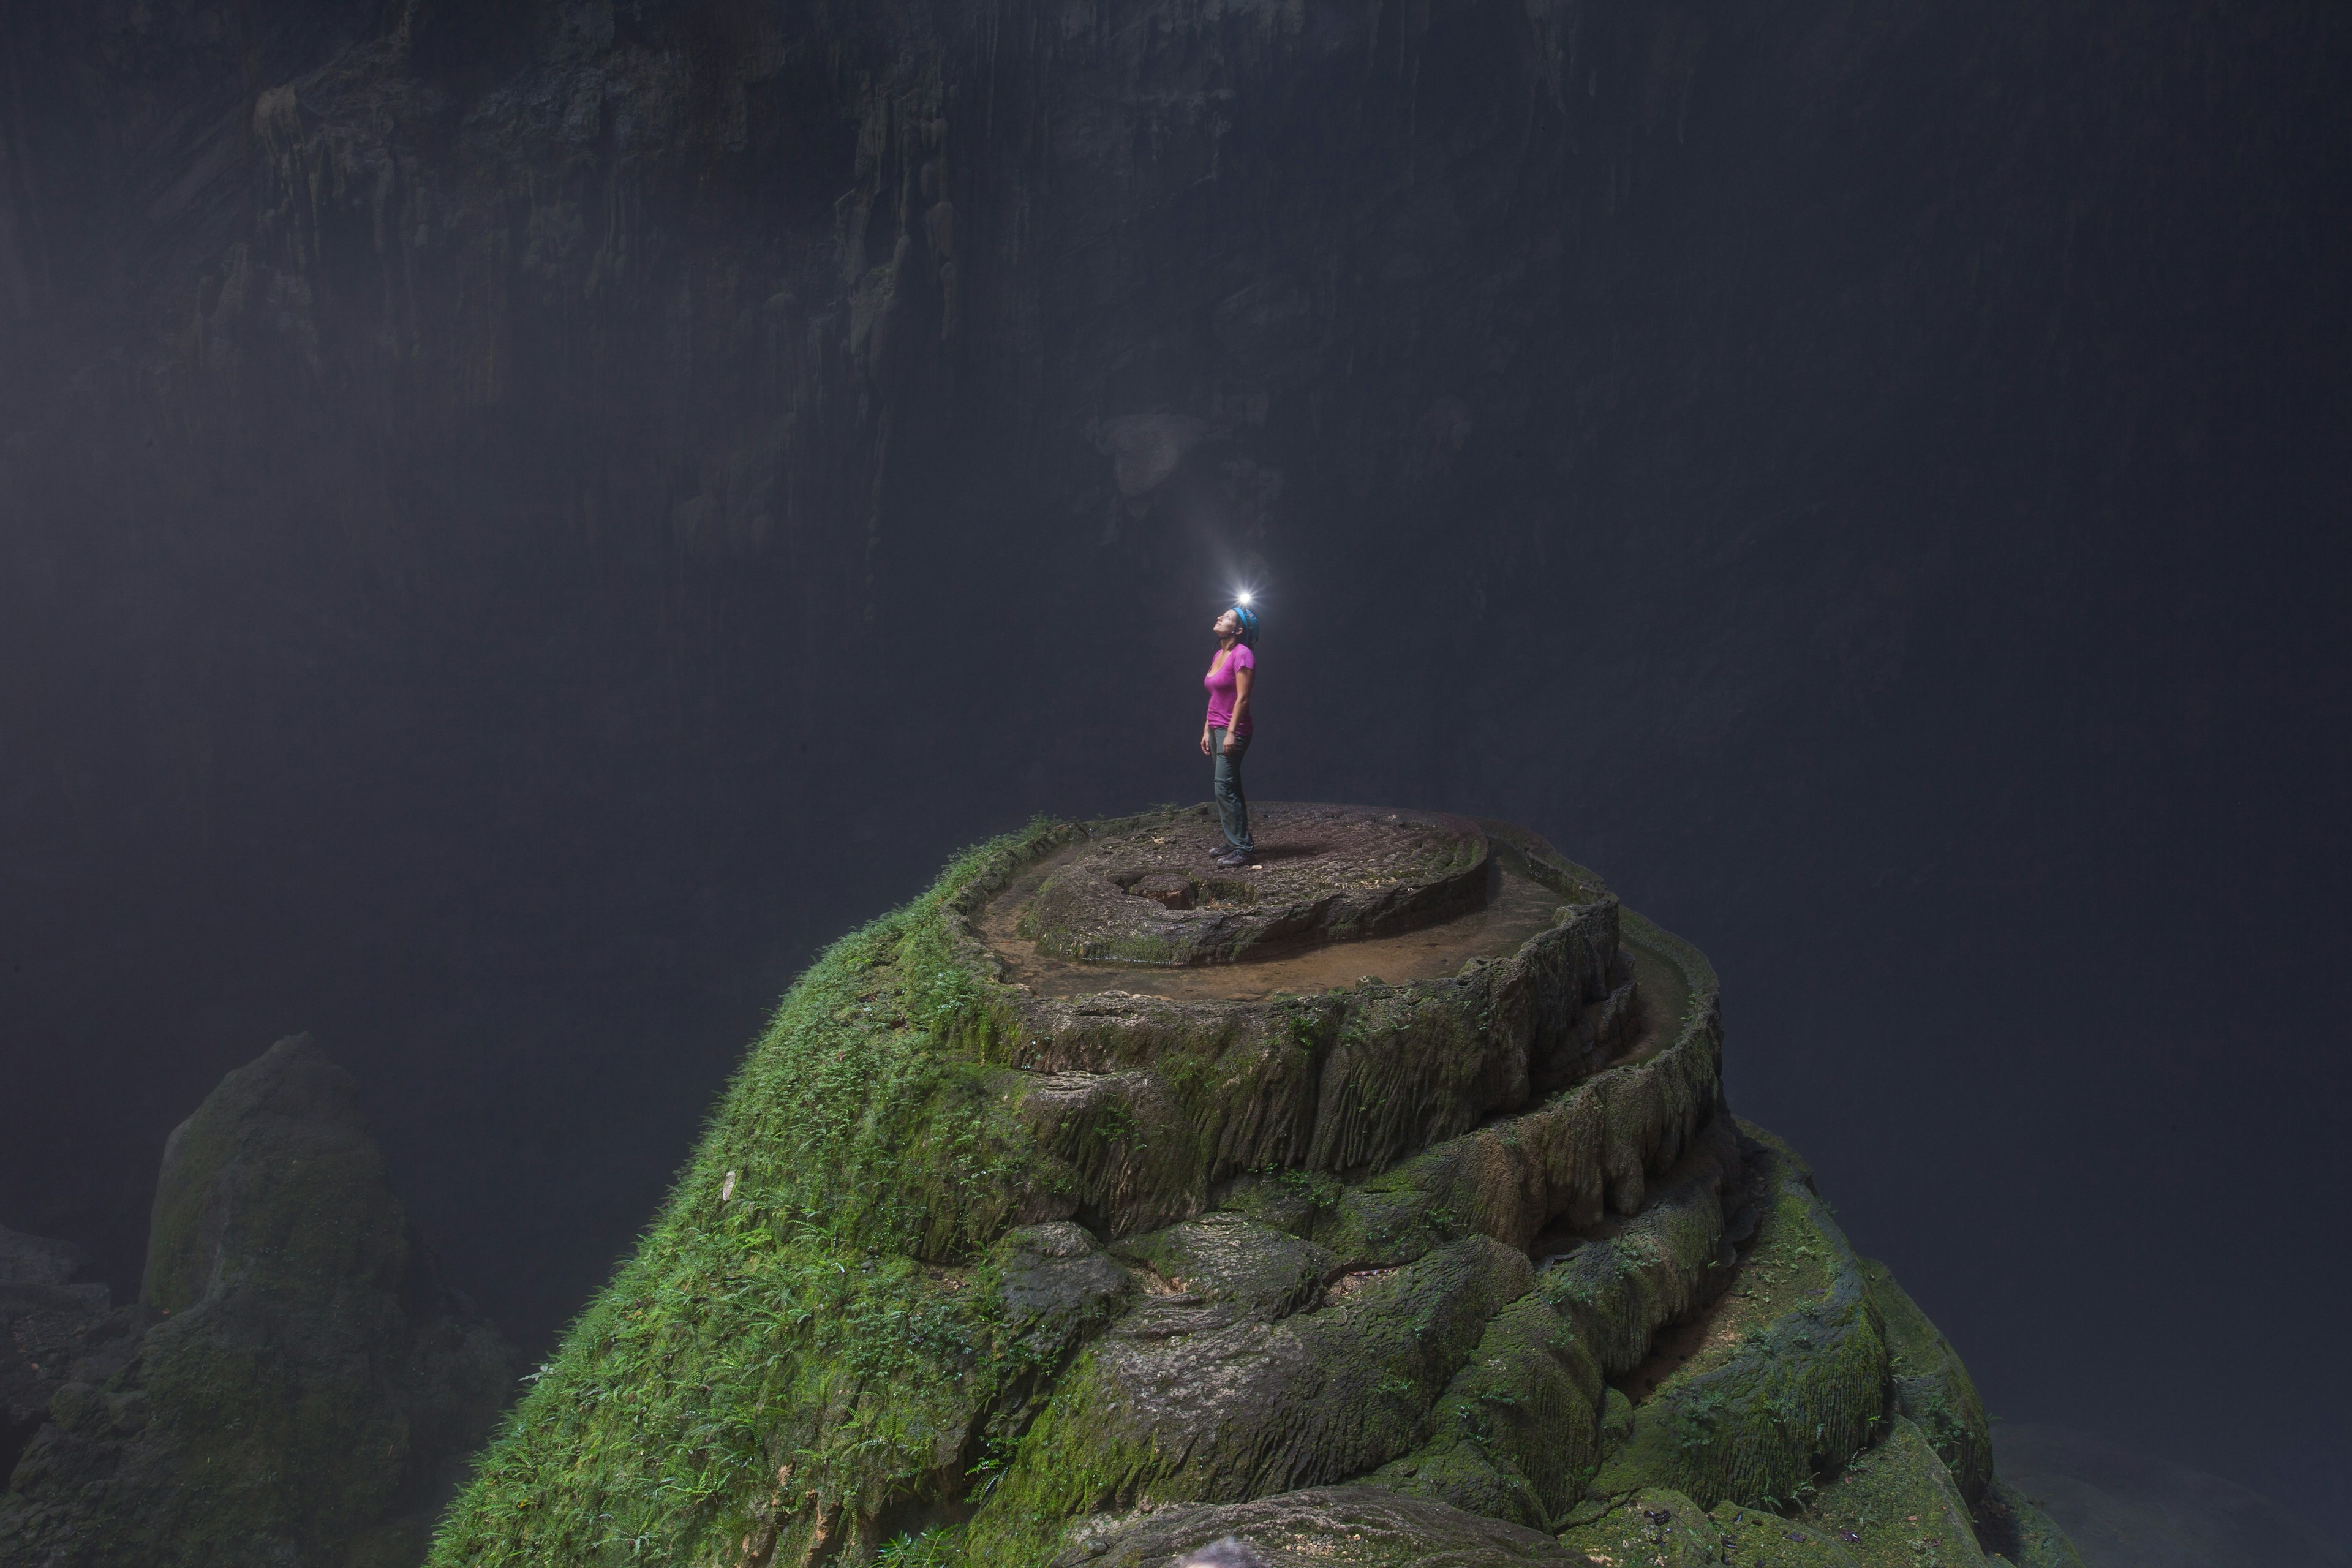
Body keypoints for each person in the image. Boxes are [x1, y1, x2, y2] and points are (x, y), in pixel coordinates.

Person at [1200, 603, 1258, 865]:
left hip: (1233, 730)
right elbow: (1216, 697)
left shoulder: (1243, 654)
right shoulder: (1218, 655)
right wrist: (1206, 729)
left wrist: (1231, 733)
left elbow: (1243, 698)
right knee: (1230, 786)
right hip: (1215, 728)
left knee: (1223, 787)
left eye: (1227, 617)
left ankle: (1243, 849)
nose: (1220, 617)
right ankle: (1235, 838)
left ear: (1238, 629)